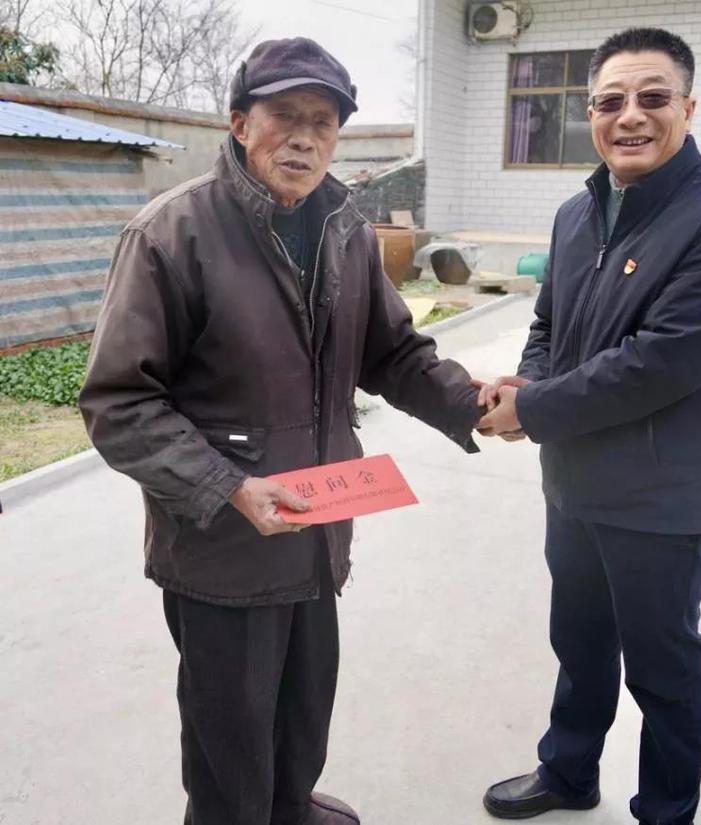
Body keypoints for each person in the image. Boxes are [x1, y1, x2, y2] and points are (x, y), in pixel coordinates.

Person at [79, 37, 481, 825]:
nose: (303, 138)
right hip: (223, 546)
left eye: (321, 121)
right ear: (239, 123)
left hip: (315, 524)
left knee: (302, 707)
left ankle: (291, 808)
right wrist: (228, 486)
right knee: (229, 742)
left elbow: (392, 351)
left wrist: (470, 403)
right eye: (283, 116)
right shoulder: (171, 234)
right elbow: (118, 402)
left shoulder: (345, 230)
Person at [476, 27, 701, 825]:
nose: (629, 116)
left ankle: (665, 812)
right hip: (571, 483)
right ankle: (568, 771)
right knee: (578, 645)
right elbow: (547, 323)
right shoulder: (576, 214)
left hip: (658, 496)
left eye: (652, 97)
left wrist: (534, 409)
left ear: (688, 107)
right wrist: (529, 380)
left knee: (662, 672)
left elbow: (664, 361)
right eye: (609, 101)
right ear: (591, 113)